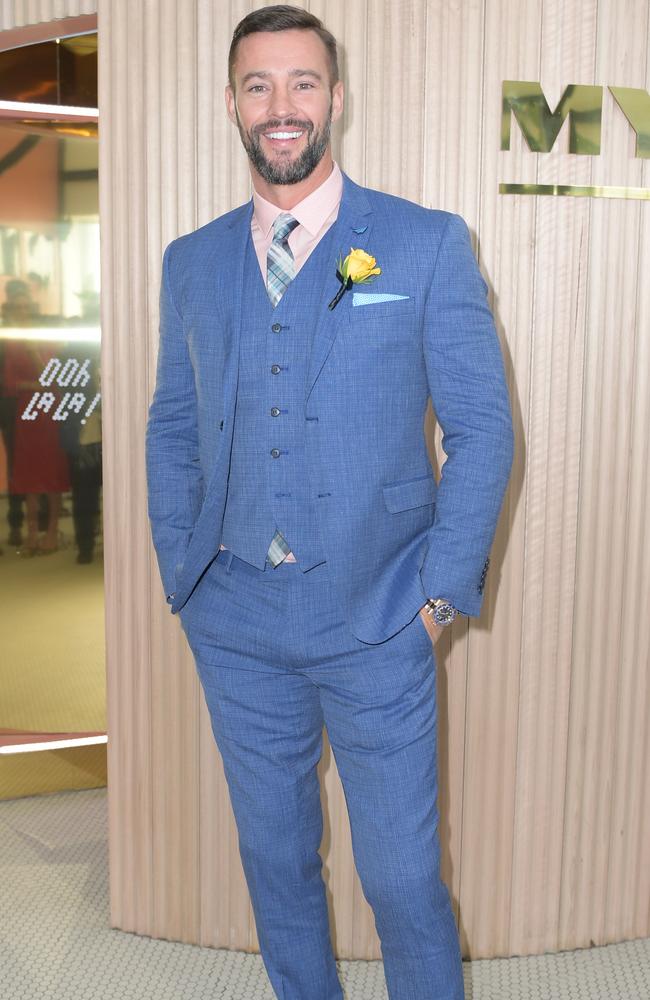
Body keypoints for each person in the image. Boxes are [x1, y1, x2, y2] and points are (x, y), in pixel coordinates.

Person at [146, 7, 514, 999]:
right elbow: (171, 425)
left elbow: (482, 427)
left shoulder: (422, 243)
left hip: (380, 616)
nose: (280, 106)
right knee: (275, 864)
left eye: (301, 83)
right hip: (232, 619)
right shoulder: (191, 261)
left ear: (335, 99)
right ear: (231, 102)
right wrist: (181, 568)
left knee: (400, 879)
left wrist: (439, 592)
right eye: (258, 84)